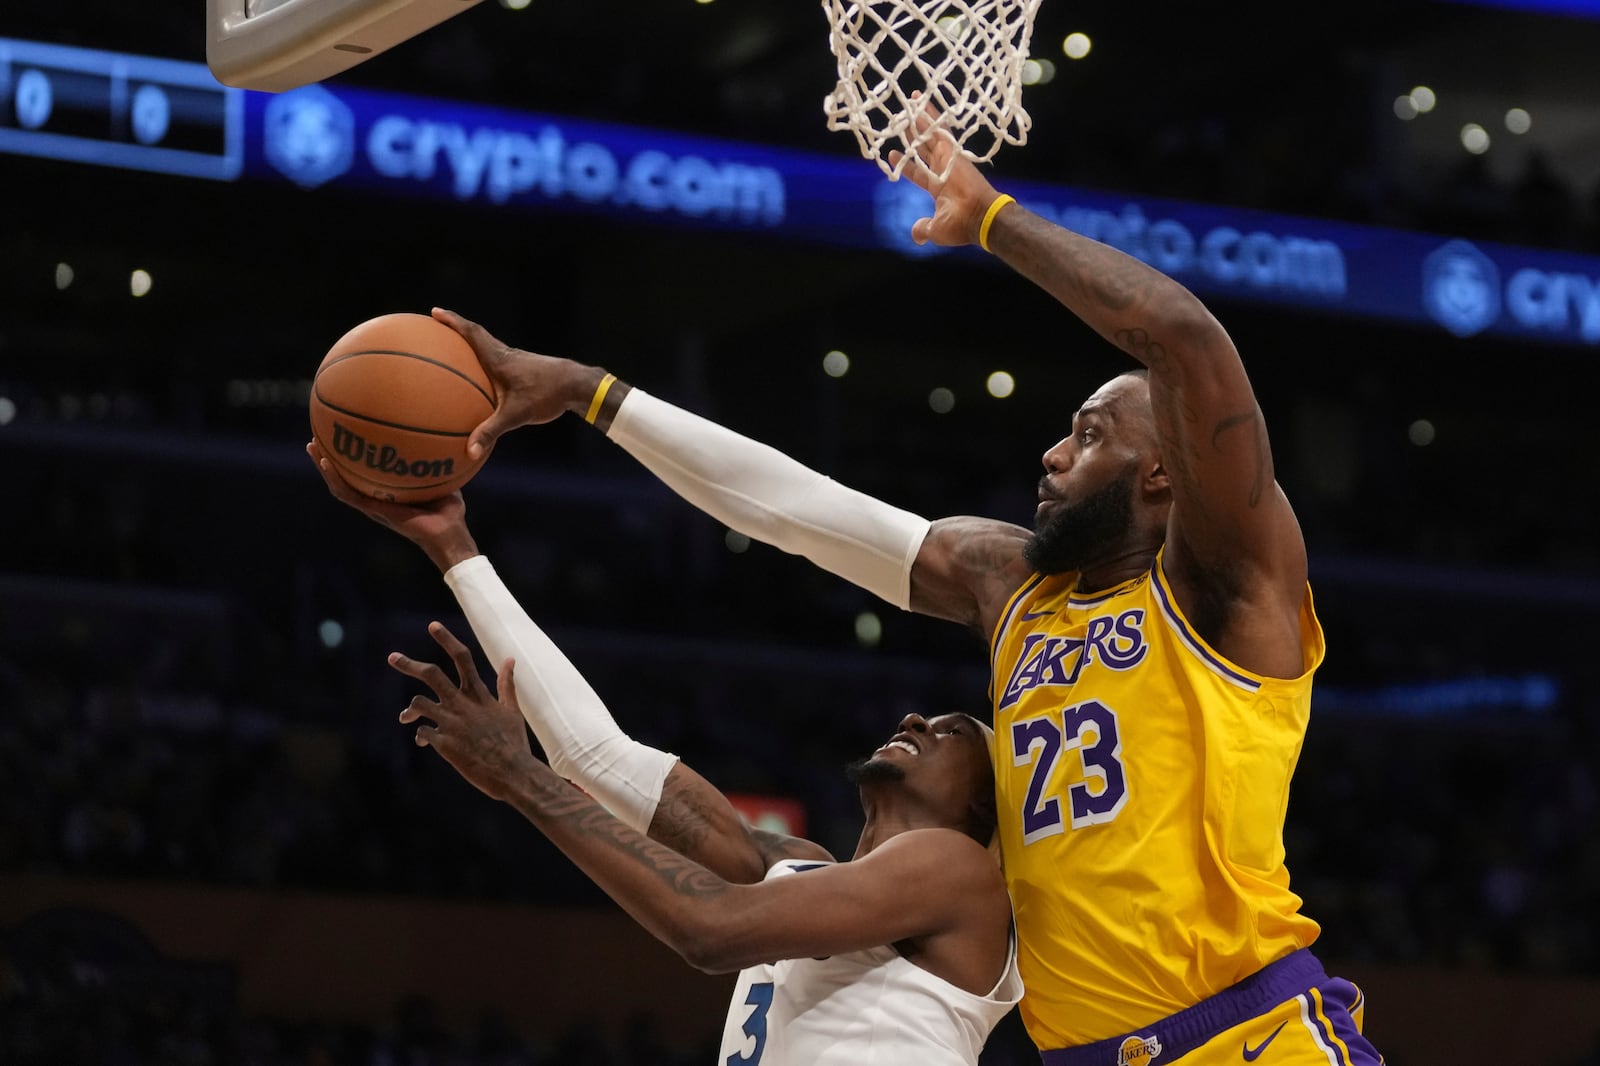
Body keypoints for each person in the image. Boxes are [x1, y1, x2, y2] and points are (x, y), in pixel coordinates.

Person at [423, 126, 1387, 1062]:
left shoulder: (1223, 591)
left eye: (1090, 435)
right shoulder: (1014, 591)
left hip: (1251, 1037)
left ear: (1166, 473)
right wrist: (595, 395)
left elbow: (1185, 339)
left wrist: (994, 218)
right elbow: (795, 509)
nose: (1052, 453)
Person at [307, 443, 1022, 1066]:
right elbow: (595, 754)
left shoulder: (956, 871)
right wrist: (455, 549)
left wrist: (518, 777)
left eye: (954, 731)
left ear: (982, 806)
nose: (916, 720)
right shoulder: (792, 870)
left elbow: (711, 930)